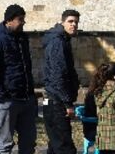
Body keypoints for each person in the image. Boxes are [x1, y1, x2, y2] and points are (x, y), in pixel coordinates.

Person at [0, 4, 37, 154]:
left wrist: (30, 93)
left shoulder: (22, 39)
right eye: (20, 19)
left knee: (28, 143)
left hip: (25, 99)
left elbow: (25, 68)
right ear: (9, 20)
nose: (23, 22)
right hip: (6, 101)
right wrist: (0, 96)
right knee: (5, 145)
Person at [43, 9, 82, 154]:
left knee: (55, 145)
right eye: (70, 21)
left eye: (76, 22)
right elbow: (58, 75)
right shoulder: (58, 42)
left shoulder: (62, 40)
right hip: (56, 102)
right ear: (62, 22)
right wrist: (67, 103)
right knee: (65, 147)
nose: (74, 25)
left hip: (54, 100)